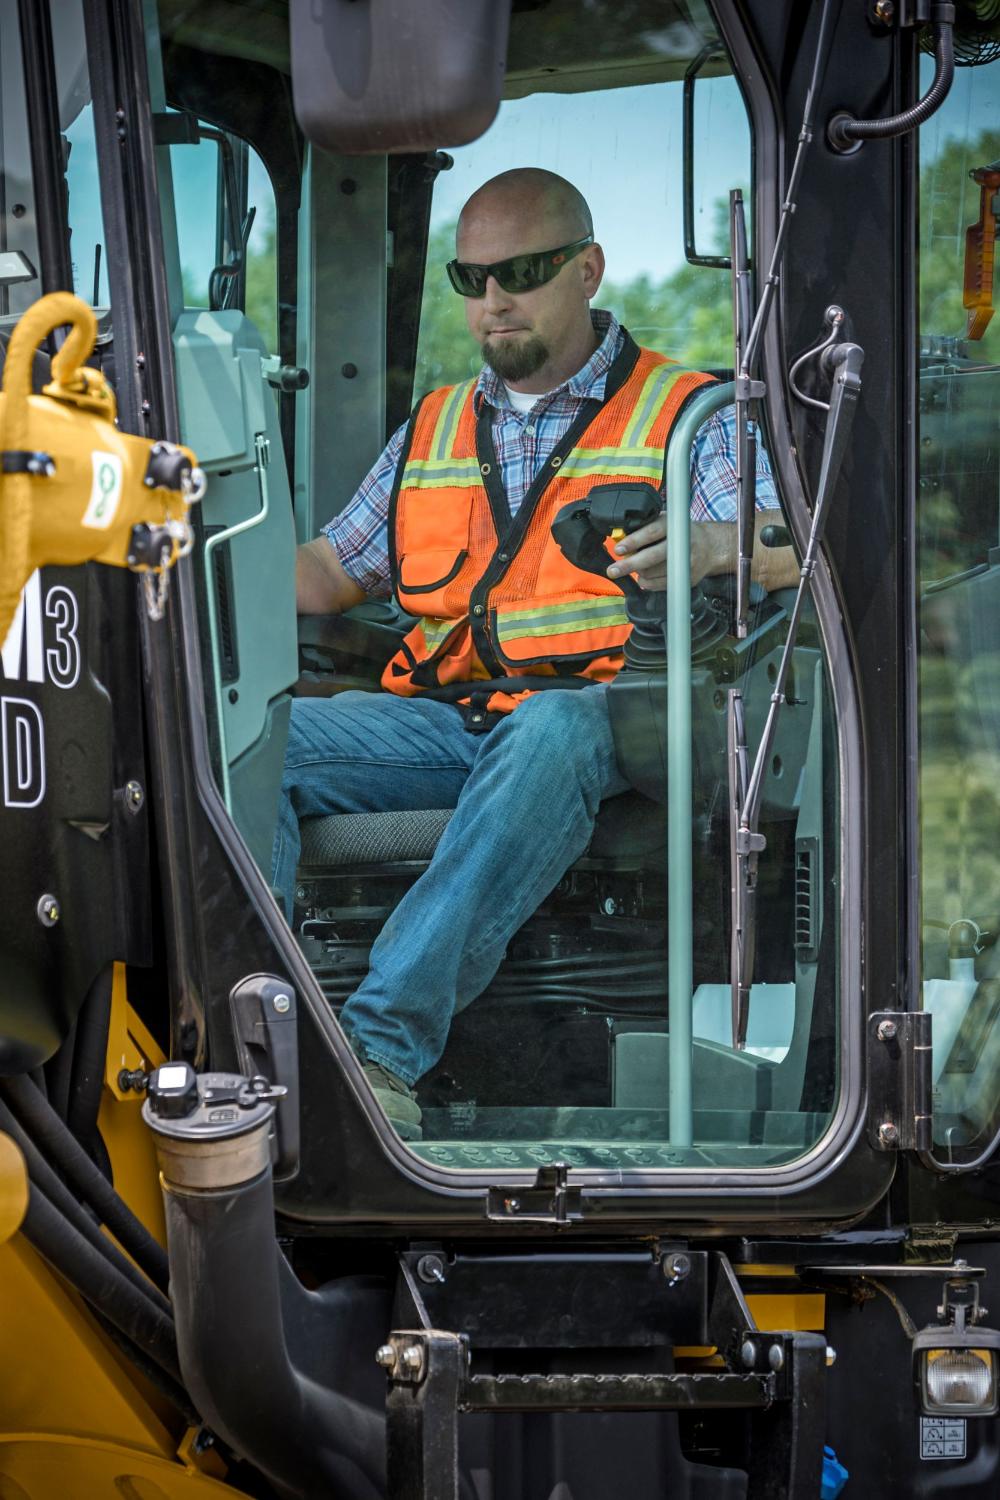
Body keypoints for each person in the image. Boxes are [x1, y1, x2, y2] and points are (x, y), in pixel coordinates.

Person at [275, 168, 797, 1138]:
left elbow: (793, 550)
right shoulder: (435, 426)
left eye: (520, 272)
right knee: (264, 740)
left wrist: (714, 545)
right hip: (452, 721)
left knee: (552, 728)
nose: (493, 300)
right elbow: (329, 570)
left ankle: (374, 1055)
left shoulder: (689, 415)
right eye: (469, 279)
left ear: (587, 270)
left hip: (618, 720)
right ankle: (259, 1045)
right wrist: (178, 549)